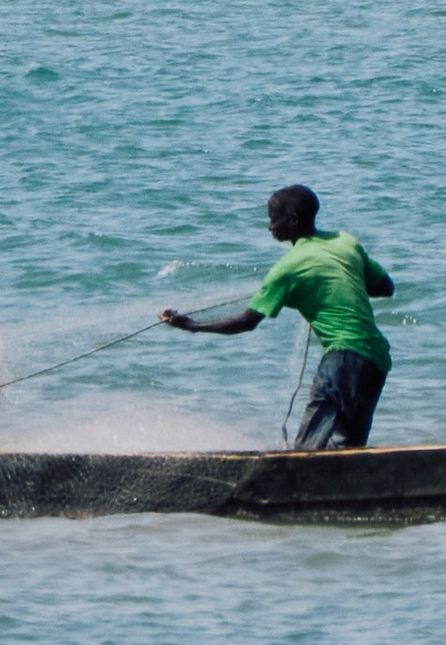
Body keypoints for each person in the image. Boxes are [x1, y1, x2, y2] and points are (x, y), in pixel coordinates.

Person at [159, 183, 394, 451]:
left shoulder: (288, 268)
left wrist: (191, 325)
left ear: (292, 219)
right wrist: (327, 287)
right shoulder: (346, 242)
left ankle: (289, 482)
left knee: (309, 448)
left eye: (273, 218)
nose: (269, 226)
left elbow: (246, 322)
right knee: (347, 448)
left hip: (343, 358)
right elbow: (385, 287)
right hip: (376, 360)